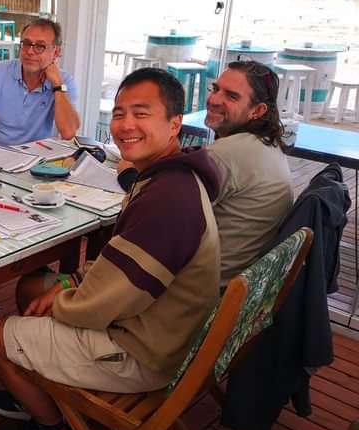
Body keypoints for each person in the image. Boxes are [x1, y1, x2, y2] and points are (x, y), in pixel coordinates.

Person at [0, 68, 221, 430]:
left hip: (143, 352)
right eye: (119, 112)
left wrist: (62, 302)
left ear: (174, 123)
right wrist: (68, 282)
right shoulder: (169, 178)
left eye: (141, 114)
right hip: (154, 323)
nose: (126, 125)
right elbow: (119, 269)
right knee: (31, 287)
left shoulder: (168, 200)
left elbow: (103, 303)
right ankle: (37, 386)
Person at [118, 60, 293, 285]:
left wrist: (128, 175)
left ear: (257, 111)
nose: (214, 100)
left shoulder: (228, 155)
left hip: (198, 293)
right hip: (233, 283)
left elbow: (159, 205)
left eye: (231, 96)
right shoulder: (266, 146)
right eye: (215, 89)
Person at [0, 18, 81, 150]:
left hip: (37, 163)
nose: (30, 52)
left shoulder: (65, 82)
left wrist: (57, 85)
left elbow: (68, 133)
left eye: (40, 46)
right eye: (26, 44)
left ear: (56, 52)